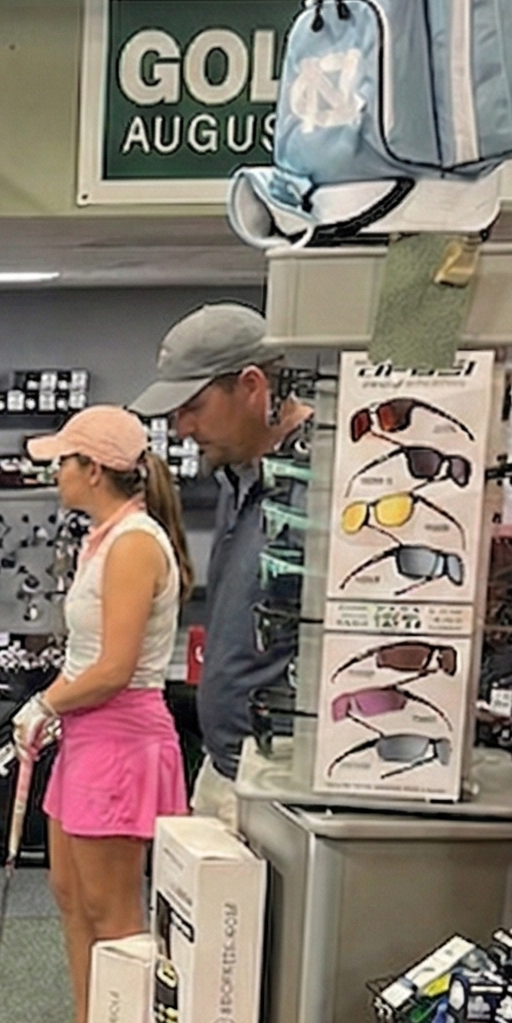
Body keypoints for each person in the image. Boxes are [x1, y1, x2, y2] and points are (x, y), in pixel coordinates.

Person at [8, 406, 193, 1023]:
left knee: (115, 916)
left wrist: (46, 703)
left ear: (93, 469)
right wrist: (53, 707)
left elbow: (115, 667)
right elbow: (88, 656)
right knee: (70, 895)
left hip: (123, 740)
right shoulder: (102, 538)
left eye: (64, 460)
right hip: (87, 735)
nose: (55, 471)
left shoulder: (137, 544)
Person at [131, 303, 312, 832]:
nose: (182, 428)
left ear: (252, 386)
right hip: (226, 768)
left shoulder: (320, 490)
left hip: (282, 782)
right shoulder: (238, 479)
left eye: (194, 406)